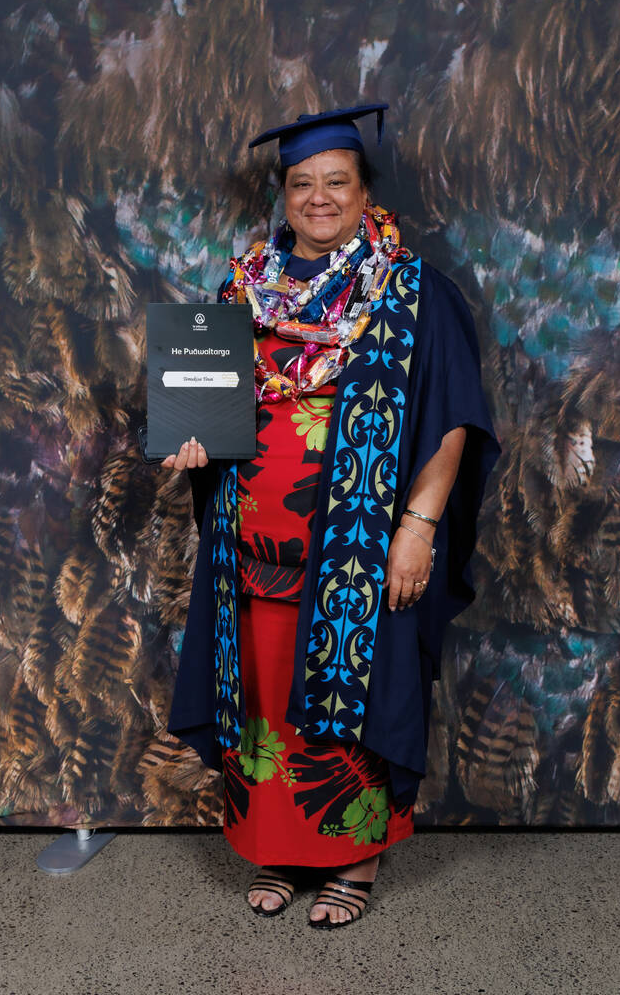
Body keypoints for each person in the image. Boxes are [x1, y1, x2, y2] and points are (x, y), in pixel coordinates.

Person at [166, 104, 501, 928]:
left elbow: (450, 419)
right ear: (283, 194)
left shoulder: (413, 291)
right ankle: (276, 848)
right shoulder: (241, 292)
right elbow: (208, 410)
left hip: (355, 549)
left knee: (350, 699)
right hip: (252, 548)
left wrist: (416, 529)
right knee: (266, 696)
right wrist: (191, 448)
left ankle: (353, 857)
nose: (318, 198)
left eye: (335, 183)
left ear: (362, 190)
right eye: (301, 184)